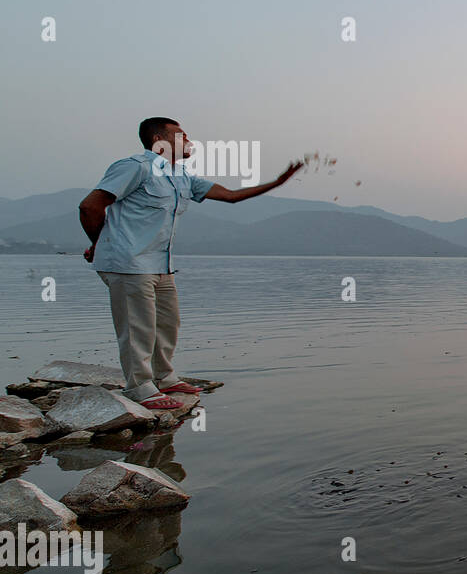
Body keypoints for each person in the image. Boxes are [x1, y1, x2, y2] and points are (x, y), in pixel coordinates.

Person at [78, 117, 303, 410]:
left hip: (160, 264)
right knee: (138, 327)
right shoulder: (135, 167)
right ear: (159, 139)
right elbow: (90, 205)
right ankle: (139, 387)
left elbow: (231, 196)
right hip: (127, 262)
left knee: (167, 324)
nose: (189, 141)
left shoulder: (182, 176)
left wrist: (279, 181)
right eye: (182, 135)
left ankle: (165, 377)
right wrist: (100, 244)